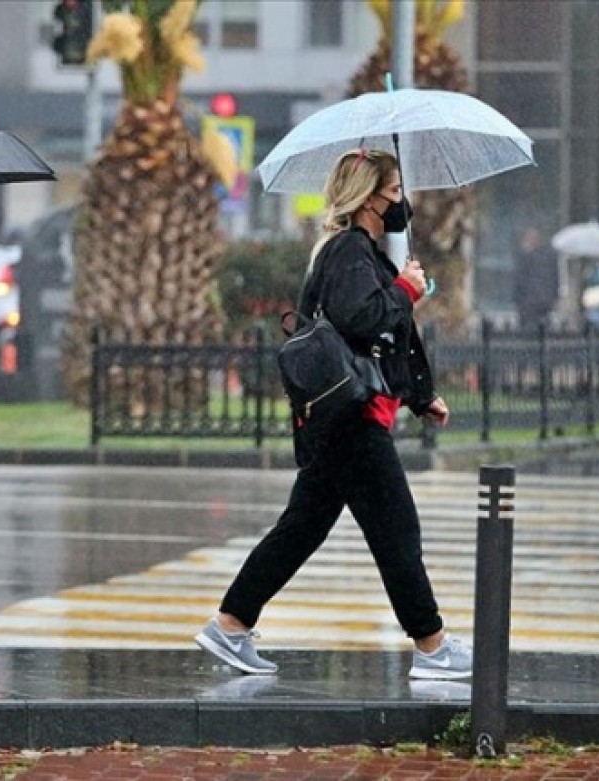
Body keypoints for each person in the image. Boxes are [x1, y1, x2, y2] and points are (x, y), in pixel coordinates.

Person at [194, 149, 470, 681]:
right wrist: (404, 290)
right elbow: (361, 318)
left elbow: (385, 339)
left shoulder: (360, 252)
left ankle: (230, 625)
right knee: (396, 530)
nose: (401, 205)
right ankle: (432, 646)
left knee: (301, 528)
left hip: (342, 415)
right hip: (350, 419)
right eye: (393, 194)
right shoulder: (348, 250)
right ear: (368, 198)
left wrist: (419, 394)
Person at [512, 227, 559, 329]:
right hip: (542, 302)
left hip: (531, 303)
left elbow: (520, 280)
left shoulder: (527, 256)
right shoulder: (548, 255)